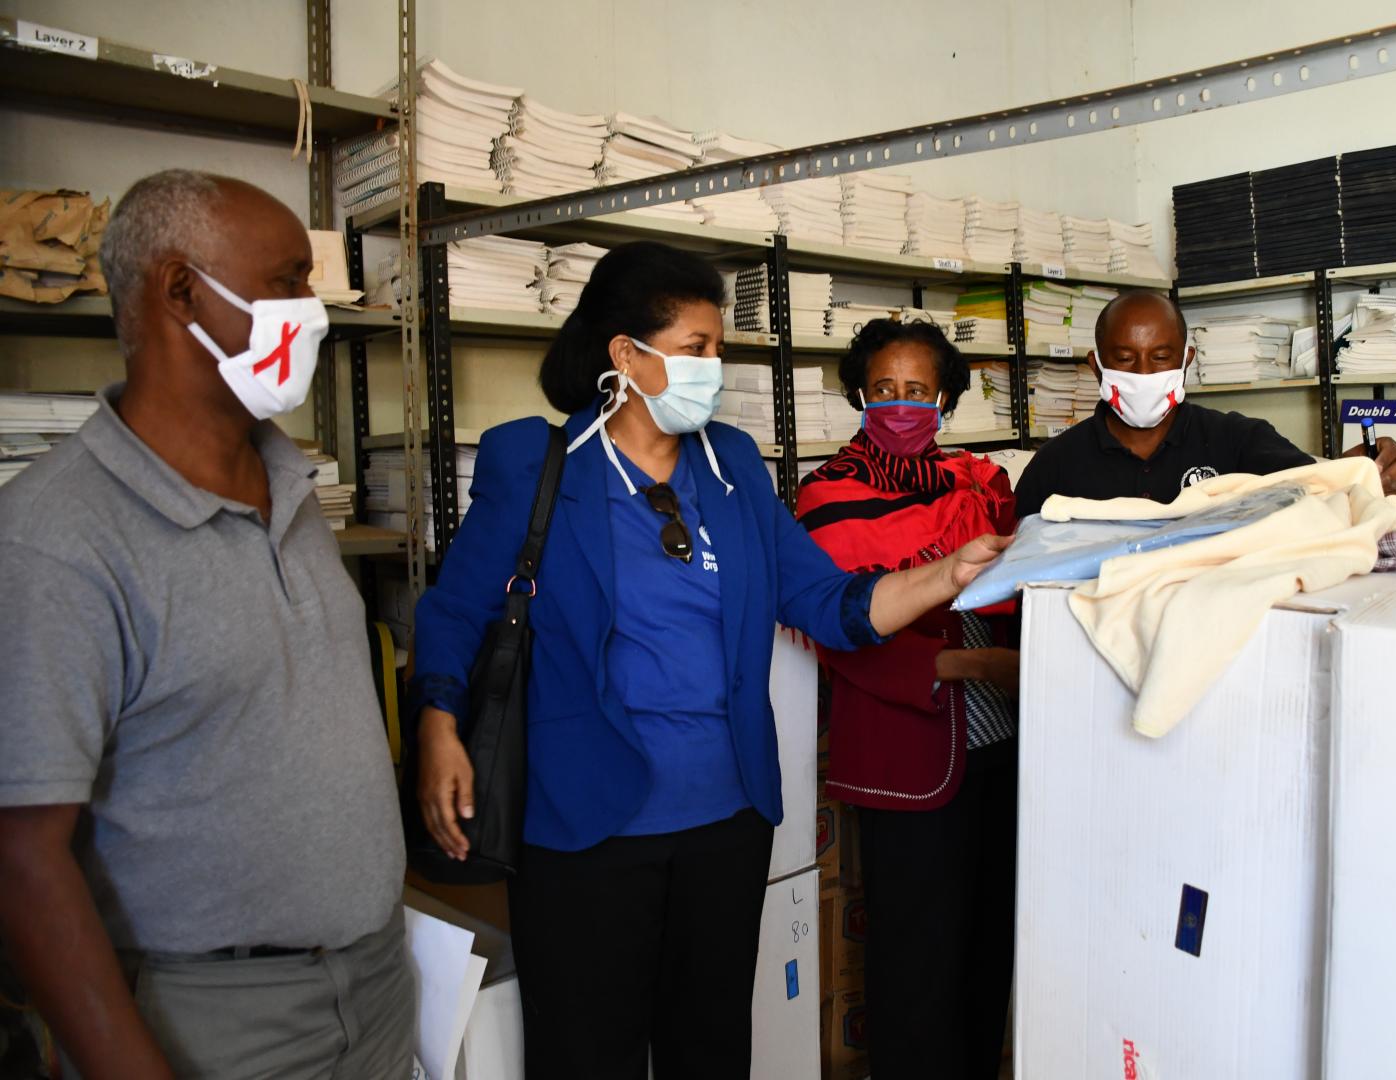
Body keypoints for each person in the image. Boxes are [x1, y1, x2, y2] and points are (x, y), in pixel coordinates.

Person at [408, 241, 1007, 1080]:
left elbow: (830, 605)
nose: (714, 368)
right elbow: (456, 610)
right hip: (586, 827)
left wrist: (953, 570)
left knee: (712, 1050)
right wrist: (438, 723)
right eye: (696, 349)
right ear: (628, 355)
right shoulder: (537, 464)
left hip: (725, 825)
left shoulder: (733, 470)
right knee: (587, 1054)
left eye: (718, 348)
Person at [0, 171, 410, 1079]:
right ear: (181, 289)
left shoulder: (294, 488)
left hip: (373, 986)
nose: (314, 312)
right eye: (289, 281)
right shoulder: (56, 537)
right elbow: (23, 858)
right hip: (211, 1023)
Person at [794, 318, 1020, 1080]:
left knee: (989, 949)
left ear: (945, 399)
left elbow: (1016, 592)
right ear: (860, 394)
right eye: (884, 390)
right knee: (915, 961)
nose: (900, 405)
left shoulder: (982, 487)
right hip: (907, 751)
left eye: (917, 391)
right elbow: (838, 631)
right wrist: (968, 665)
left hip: (1004, 747)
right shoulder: (826, 497)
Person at [1015, 290, 1396, 516]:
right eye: (1124, 358)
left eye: (1161, 356)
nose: (1145, 373)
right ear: (1097, 366)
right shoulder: (1055, 465)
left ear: (1185, 362)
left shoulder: (1238, 440)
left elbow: (1318, 490)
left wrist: (1364, 471)